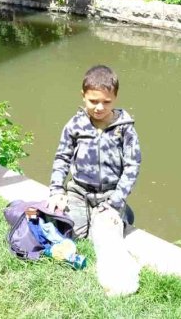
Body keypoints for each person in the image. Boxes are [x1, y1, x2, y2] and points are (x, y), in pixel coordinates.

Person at [47, 65, 141, 238]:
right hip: (79, 191)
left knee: (102, 237)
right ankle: (86, 214)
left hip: (110, 194)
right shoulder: (75, 125)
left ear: (115, 97)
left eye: (107, 102)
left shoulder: (125, 128)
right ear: (83, 96)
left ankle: (122, 212)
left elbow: (132, 166)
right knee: (70, 233)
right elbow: (62, 157)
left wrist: (116, 200)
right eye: (93, 101)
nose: (99, 107)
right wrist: (56, 191)